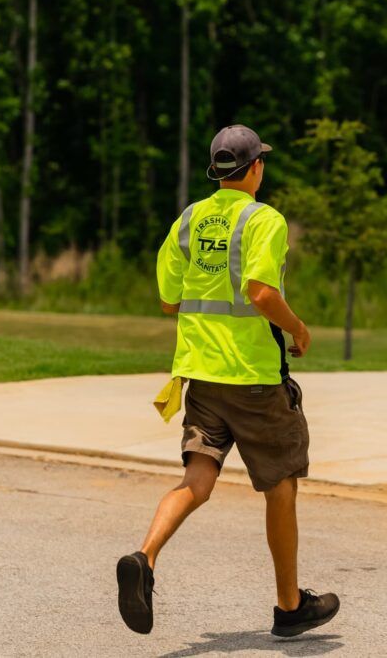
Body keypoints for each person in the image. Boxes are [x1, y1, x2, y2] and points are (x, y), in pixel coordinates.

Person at [116, 124, 340, 637]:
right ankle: (289, 607)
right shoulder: (265, 220)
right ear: (256, 168)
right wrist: (299, 330)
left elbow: (170, 299)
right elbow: (261, 293)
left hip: (201, 377)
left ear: (217, 170)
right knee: (280, 485)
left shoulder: (188, 220)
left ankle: (144, 559)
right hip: (255, 380)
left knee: (197, 480)